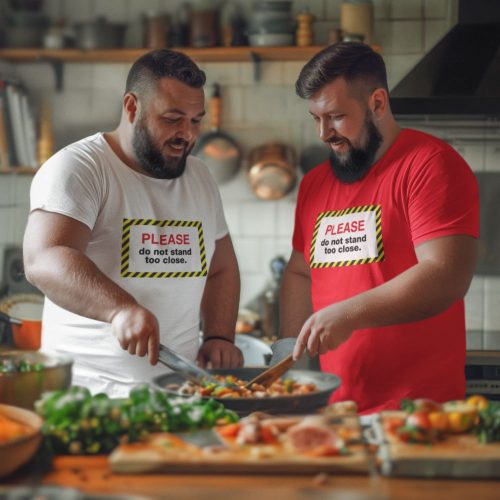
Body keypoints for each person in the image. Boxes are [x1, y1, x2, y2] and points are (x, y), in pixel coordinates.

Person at [23, 49, 243, 397]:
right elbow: (44, 258)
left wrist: (218, 335)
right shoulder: (80, 168)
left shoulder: (200, 176)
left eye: (196, 120)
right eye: (172, 118)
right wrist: (119, 309)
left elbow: (222, 268)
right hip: (90, 397)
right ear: (131, 107)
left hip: (181, 395)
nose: (186, 134)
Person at [278, 42, 479, 415]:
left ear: (377, 103)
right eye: (316, 118)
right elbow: (299, 272)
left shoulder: (430, 165)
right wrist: (289, 352)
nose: (324, 133)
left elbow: (446, 275)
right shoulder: (315, 183)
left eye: (336, 116)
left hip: (418, 412)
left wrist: (348, 314)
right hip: (334, 411)